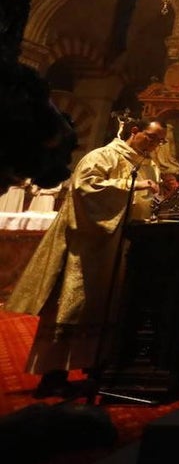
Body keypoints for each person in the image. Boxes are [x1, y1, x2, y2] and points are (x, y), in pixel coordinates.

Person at [7, 120, 167, 398]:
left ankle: (98, 369)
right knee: (74, 307)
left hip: (121, 247)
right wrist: (132, 185)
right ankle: (53, 375)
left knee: (109, 309)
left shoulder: (149, 165)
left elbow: (146, 202)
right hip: (88, 248)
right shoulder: (103, 156)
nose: (154, 145)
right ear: (134, 131)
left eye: (159, 141)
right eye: (151, 138)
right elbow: (85, 188)